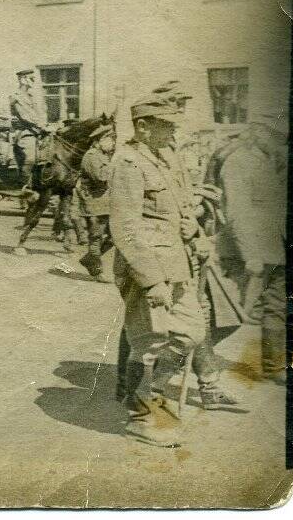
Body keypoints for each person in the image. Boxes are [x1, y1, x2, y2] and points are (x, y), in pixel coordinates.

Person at [109, 88, 215, 448]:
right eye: (166, 126)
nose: (174, 132)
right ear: (143, 127)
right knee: (150, 343)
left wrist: (195, 229)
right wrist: (152, 281)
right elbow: (126, 227)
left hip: (178, 264)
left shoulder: (163, 160)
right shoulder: (127, 164)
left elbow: (180, 208)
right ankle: (142, 416)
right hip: (149, 270)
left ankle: (151, 396)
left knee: (190, 334)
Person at [218, 112, 288, 384]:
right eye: (276, 136)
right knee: (227, 314)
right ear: (259, 133)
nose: (281, 142)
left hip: (274, 249)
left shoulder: (271, 162)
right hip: (244, 252)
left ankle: (274, 367)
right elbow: (237, 212)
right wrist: (251, 255)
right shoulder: (238, 163)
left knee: (277, 307)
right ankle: (187, 361)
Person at [76, 124, 116, 282]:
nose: (113, 143)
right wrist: (115, 169)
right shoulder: (92, 156)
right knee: (96, 236)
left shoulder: (102, 156)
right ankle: (97, 272)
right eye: (110, 139)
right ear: (100, 140)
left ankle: (89, 259)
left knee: (114, 237)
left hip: (104, 203)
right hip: (94, 204)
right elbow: (100, 177)